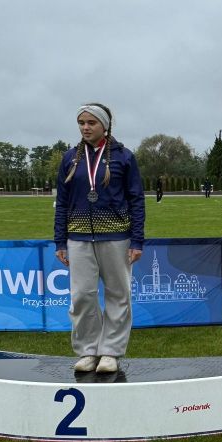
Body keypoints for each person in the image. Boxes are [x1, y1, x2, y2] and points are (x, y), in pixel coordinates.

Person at [54, 103, 145, 374]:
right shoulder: (70, 158)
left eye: (91, 122)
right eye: (81, 122)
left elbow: (136, 200)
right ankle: (88, 350)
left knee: (118, 294)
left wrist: (137, 240)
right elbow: (62, 202)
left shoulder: (124, 157)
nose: (85, 127)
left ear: (104, 125)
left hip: (117, 237)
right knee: (82, 295)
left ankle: (111, 352)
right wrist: (60, 241)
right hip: (78, 237)